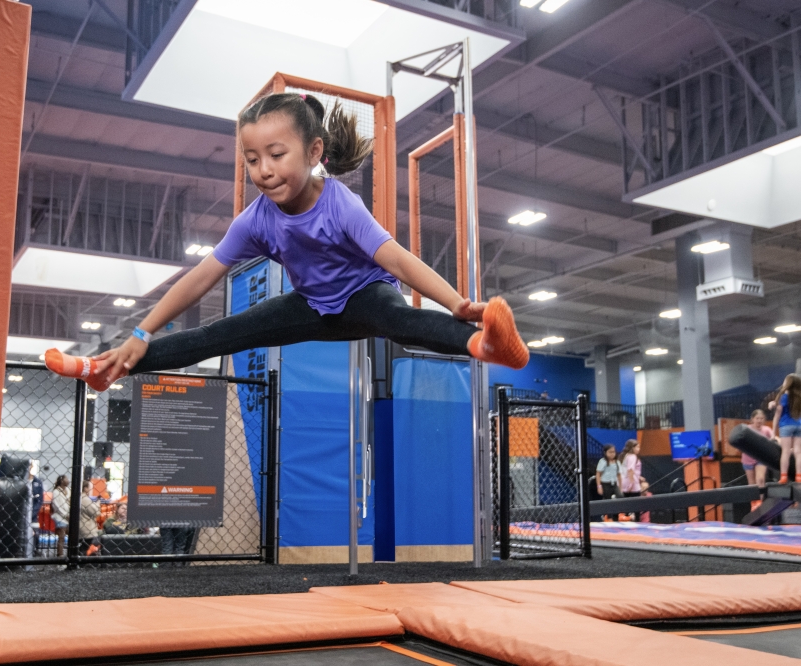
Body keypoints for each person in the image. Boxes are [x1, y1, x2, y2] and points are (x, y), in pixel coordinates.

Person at [43, 93, 529, 391]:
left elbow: (397, 260)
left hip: (365, 297)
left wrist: (457, 303)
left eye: (276, 154)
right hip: (312, 306)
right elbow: (199, 279)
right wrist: (141, 332)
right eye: (252, 160)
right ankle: (104, 365)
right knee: (219, 335)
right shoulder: (255, 221)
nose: (264, 171)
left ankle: (483, 344)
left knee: (399, 320)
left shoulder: (340, 206)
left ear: (313, 152)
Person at [774, 374, 801, 484]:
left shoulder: (783, 397)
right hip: (799, 425)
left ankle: (783, 476)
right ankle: (799, 476)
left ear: (788, 383)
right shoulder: (799, 398)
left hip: (785, 425)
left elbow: (777, 414)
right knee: (798, 452)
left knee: (785, 451)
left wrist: (773, 431)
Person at [743, 409, 772, 495]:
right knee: (752, 483)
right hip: (748, 459)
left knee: (760, 479)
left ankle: (760, 503)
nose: (759, 420)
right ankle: (754, 504)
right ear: (752, 419)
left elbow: (774, 438)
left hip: (761, 458)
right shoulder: (747, 429)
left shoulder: (766, 429)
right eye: (757, 418)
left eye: (762, 418)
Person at [619, 439, 648, 521]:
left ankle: (627, 521)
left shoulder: (625, 456)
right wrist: (631, 483)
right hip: (632, 484)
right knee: (636, 506)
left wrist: (639, 477)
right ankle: (637, 522)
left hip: (625, 483)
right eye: (637, 447)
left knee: (626, 505)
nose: (639, 449)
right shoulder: (632, 456)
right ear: (632, 448)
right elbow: (630, 470)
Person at [78, 480, 102, 557]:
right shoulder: (85, 499)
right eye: (90, 488)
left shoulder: (79, 498)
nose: (91, 490)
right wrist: (98, 504)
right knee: (87, 547)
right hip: (87, 528)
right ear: (85, 488)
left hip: (82, 527)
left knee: (83, 547)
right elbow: (95, 512)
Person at [50, 475, 70, 558]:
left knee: (68, 535)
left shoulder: (68, 490)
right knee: (61, 536)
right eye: (66, 479)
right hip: (60, 517)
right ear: (62, 481)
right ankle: (60, 554)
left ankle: (68, 552)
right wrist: (65, 515)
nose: (68, 480)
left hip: (68, 516)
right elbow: (56, 506)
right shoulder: (56, 492)